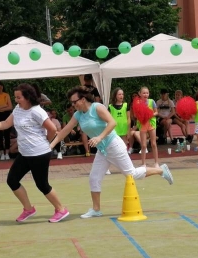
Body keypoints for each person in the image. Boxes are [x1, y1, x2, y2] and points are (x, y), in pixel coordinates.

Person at [50, 87, 173, 218]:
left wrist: (99, 137)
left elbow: (112, 123)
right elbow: (64, 131)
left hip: (114, 145)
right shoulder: (78, 115)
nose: (73, 105)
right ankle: (96, 209)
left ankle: (161, 170)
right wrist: (50, 146)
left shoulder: (97, 107)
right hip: (103, 150)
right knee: (94, 177)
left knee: (131, 174)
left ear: (83, 99)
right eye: (71, 103)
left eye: (75, 102)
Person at [0, 83, 69, 222]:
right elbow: (5, 124)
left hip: (39, 153)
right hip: (24, 153)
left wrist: (46, 143)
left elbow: (52, 129)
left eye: (19, 97)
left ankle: (61, 209)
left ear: (28, 97)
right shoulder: (17, 109)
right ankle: (28, 209)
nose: (16, 100)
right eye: (15, 97)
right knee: (12, 180)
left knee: (42, 185)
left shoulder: (37, 111)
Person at [135, 87, 159, 167]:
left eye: (147, 93)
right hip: (142, 124)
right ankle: (143, 163)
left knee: (153, 144)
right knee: (143, 145)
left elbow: (156, 112)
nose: (145, 94)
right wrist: (142, 116)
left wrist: (150, 114)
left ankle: (156, 162)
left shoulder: (152, 101)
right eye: (144, 93)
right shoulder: (137, 103)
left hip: (151, 124)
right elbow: (136, 115)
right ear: (140, 94)